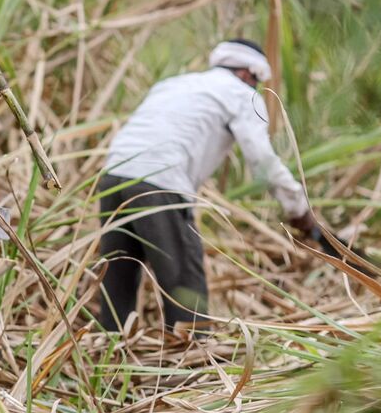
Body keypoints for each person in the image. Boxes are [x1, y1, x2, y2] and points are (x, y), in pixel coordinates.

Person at [97, 39, 317, 332]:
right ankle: (194, 363)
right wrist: (298, 209)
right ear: (246, 74)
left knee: (118, 276)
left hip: (112, 176)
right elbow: (262, 160)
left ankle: (110, 353)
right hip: (159, 182)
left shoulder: (174, 84)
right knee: (185, 280)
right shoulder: (240, 94)